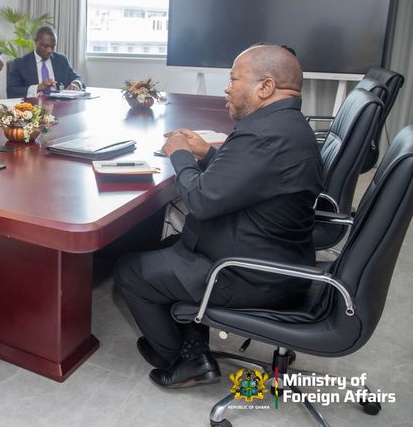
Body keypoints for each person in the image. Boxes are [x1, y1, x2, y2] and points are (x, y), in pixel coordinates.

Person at [114, 43, 323, 389]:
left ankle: (180, 359)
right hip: (276, 259)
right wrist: (207, 153)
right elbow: (249, 181)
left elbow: (200, 200)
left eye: (234, 79)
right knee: (170, 245)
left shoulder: (262, 134)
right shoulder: (285, 125)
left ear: (265, 87)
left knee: (130, 271)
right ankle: (194, 347)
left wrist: (180, 154)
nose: (227, 88)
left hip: (248, 273)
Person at [7, 26, 84, 98]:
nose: (49, 50)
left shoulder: (61, 60)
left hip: (59, 105)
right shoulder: (20, 63)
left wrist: (75, 84)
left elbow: (76, 78)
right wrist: (38, 87)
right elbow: (11, 91)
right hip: (33, 106)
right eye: (45, 46)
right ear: (36, 42)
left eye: (52, 46)